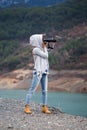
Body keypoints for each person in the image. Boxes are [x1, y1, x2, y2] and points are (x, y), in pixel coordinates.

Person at [24, 34, 51, 114]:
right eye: (42, 39)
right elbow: (46, 56)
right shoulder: (36, 50)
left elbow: (47, 53)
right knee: (32, 90)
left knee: (45, 91)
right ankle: (27, 107)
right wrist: (45, 48)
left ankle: (44, 106)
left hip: (44, 71)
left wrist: (48, 46)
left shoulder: (42, 49)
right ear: (38, 40)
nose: (43, 41)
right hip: (38, 72)